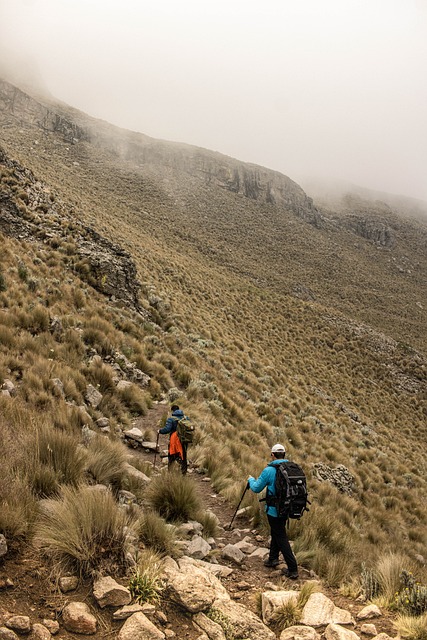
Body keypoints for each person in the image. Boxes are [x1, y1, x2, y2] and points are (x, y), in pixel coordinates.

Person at [248, 443, 299, 579]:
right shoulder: (291, 468)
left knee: (281, 536)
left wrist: (250, 480)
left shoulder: (269, 470)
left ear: (272, 454)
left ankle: (293, 568)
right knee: (277, 531)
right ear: (284, 454)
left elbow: (256, 488)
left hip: (274, 510)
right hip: (287, 507)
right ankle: (273, 559)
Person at [158, 404, 188, 474]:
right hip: (184, 440)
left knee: (171, 454)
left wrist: (160, 431)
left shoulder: (171, 419)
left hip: (174, 440)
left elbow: (167, 429)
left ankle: (170, 471)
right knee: (183, 454)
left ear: (172, 410)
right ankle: (183, 472)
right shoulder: (185, 418)